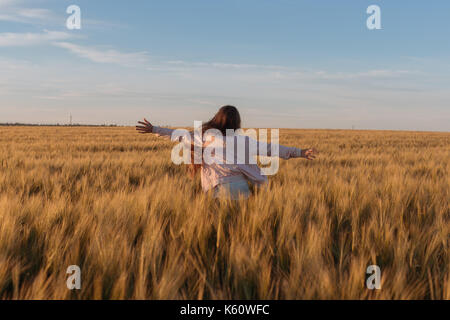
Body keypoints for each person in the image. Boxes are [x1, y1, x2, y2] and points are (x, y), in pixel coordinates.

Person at [136, 105, 318, 200]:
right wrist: (300, 152)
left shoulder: (205, 137)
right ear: (237, 123)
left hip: (217, 189)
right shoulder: (244, 140)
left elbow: (179, 135)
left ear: (216, 119)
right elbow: (272, 148)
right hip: (242, 189)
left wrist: (153, 129)